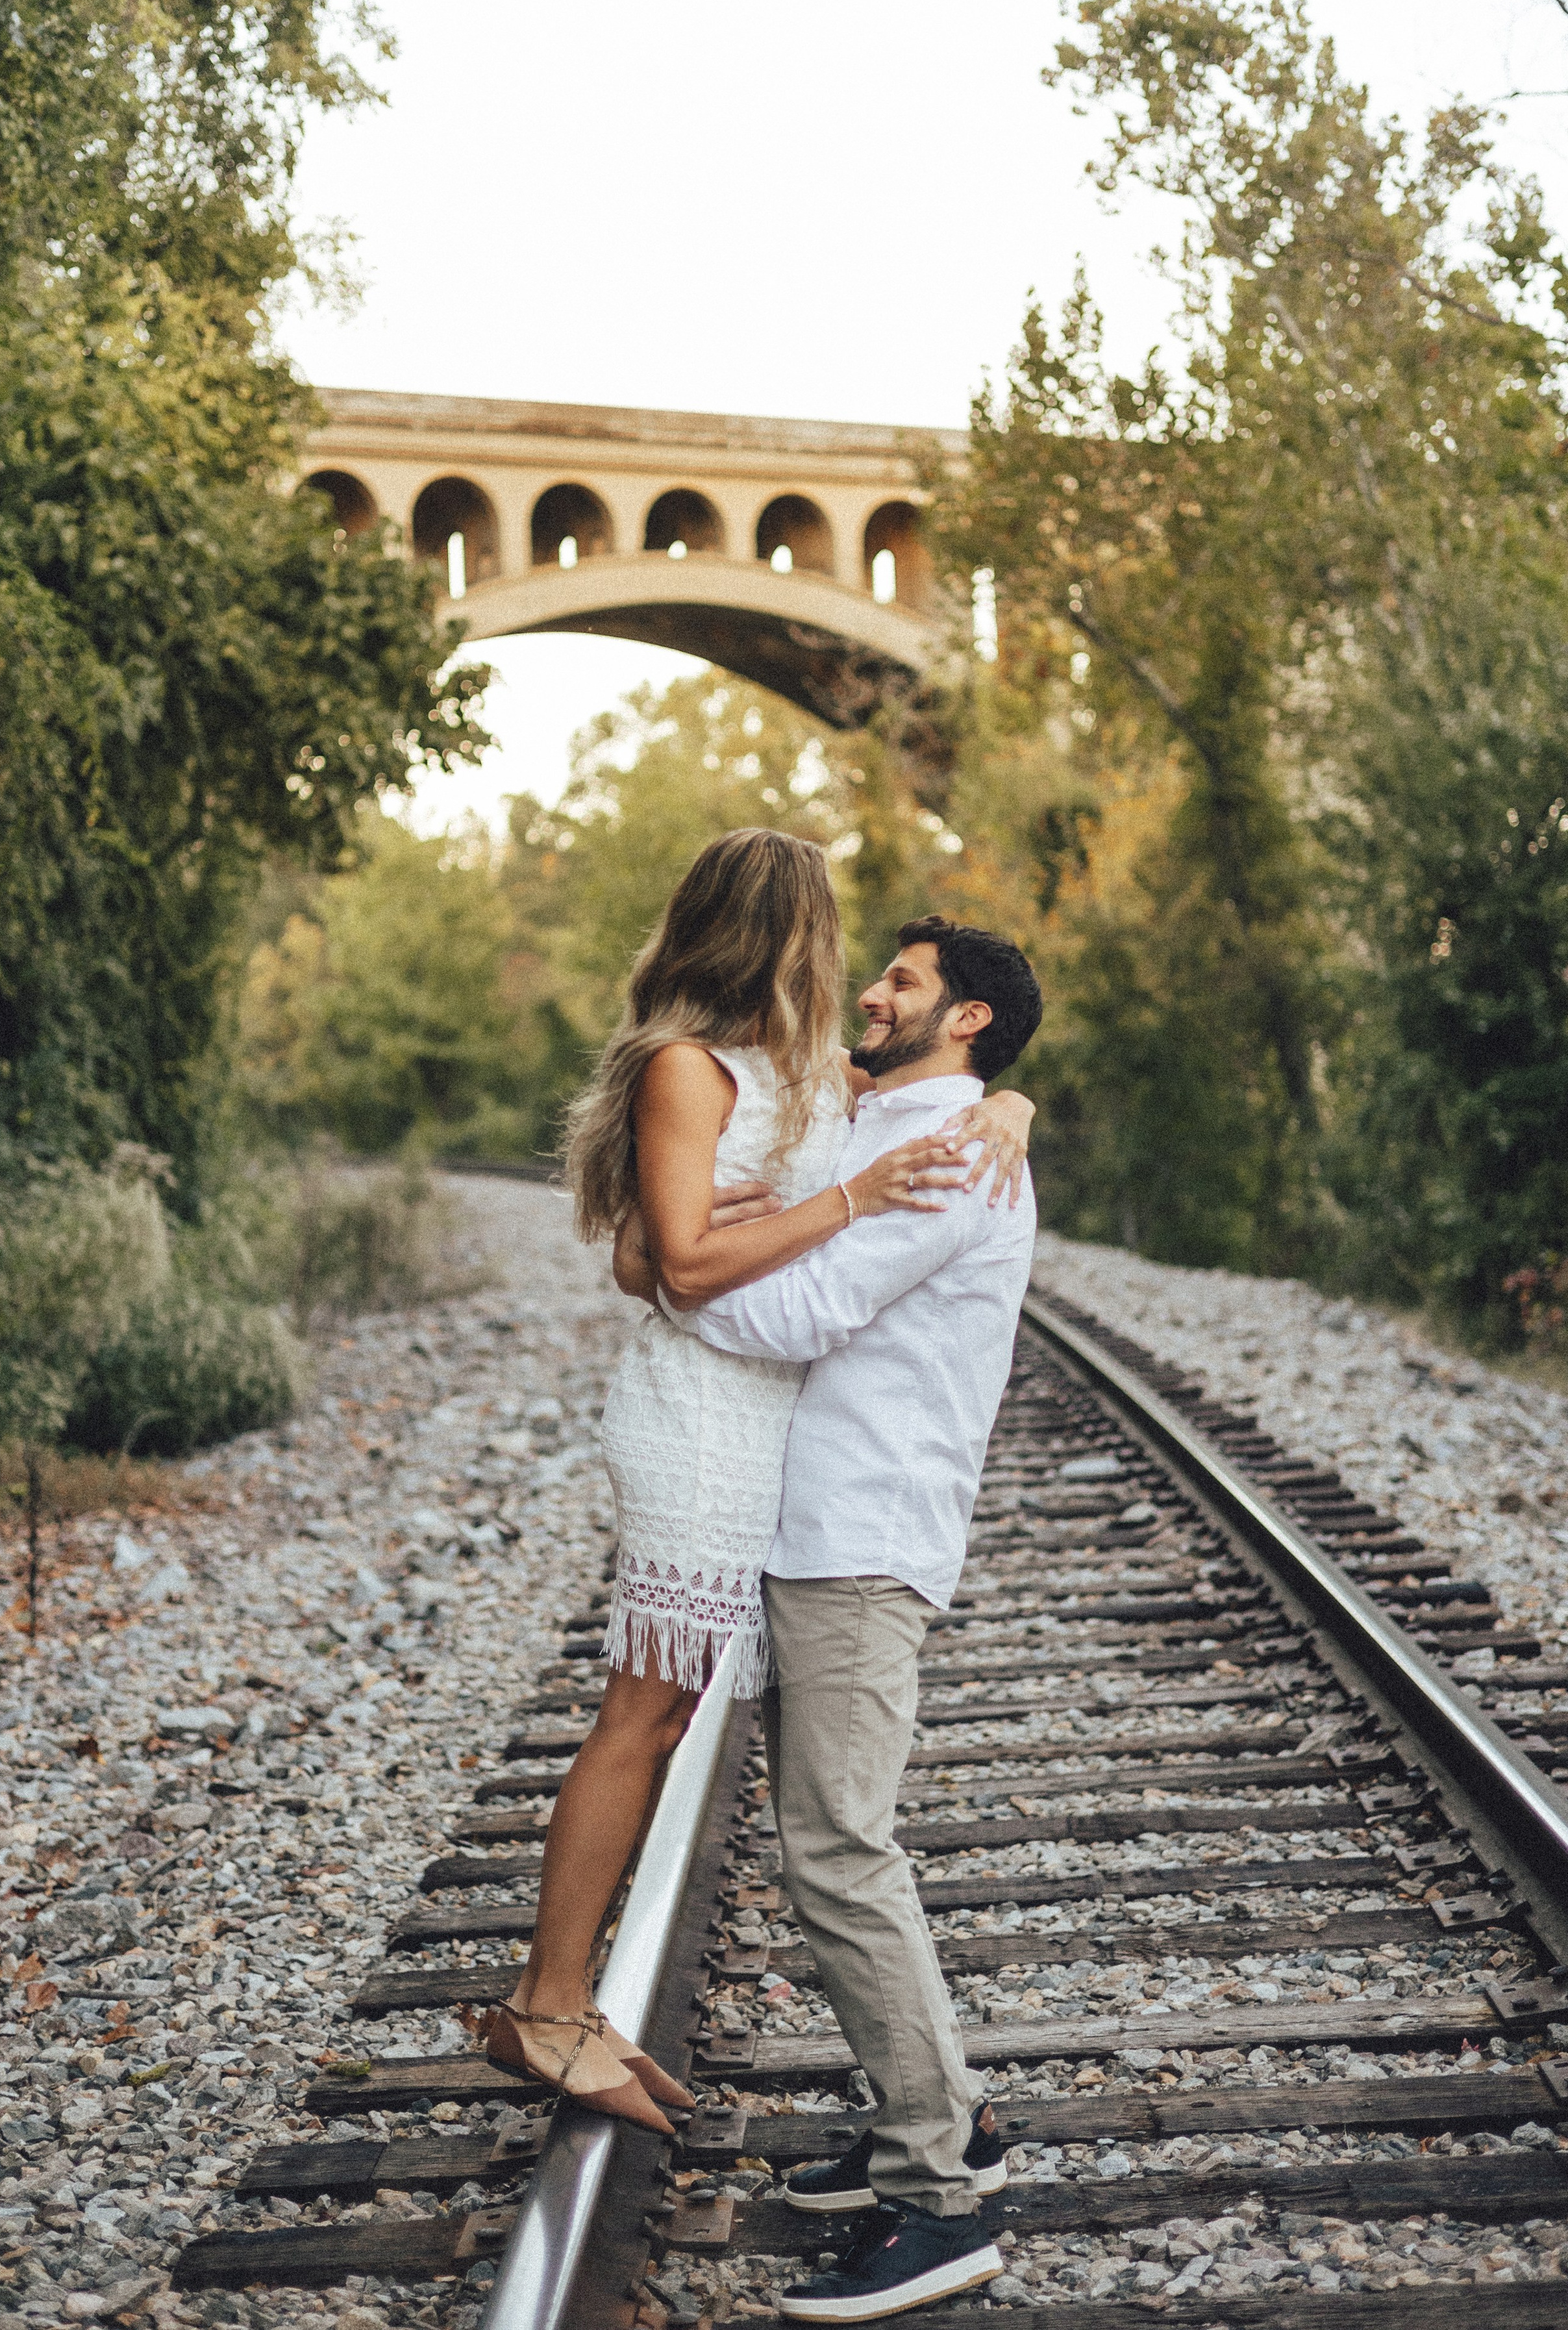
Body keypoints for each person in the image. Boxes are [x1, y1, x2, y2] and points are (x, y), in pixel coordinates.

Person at [476, 834, 1033, 2135]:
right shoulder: (687, 1065)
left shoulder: (810, 1071)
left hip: (756, 1418)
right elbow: (661, 1262)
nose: (855, 972)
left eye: (894, 972)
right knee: (645, 1704)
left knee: (666, 1711)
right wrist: (847, 1202)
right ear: (780, 934)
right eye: (830, 934)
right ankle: (548, 2002)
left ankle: (565, 2003)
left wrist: (1010, 1107)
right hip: (698, 1412)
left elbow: (949, 1081)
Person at [652, 914, 1043, 2322]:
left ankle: (941, 2198)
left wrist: (677, 1279)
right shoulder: (906, 1119)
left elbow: (801, 1311)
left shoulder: (952, 1157)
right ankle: (945, 2132)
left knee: (838, 1852)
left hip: (865, 1536)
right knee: (832, 1845)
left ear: (966, 1019)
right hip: (824, 1527)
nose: (870, 994)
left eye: (902, 982)